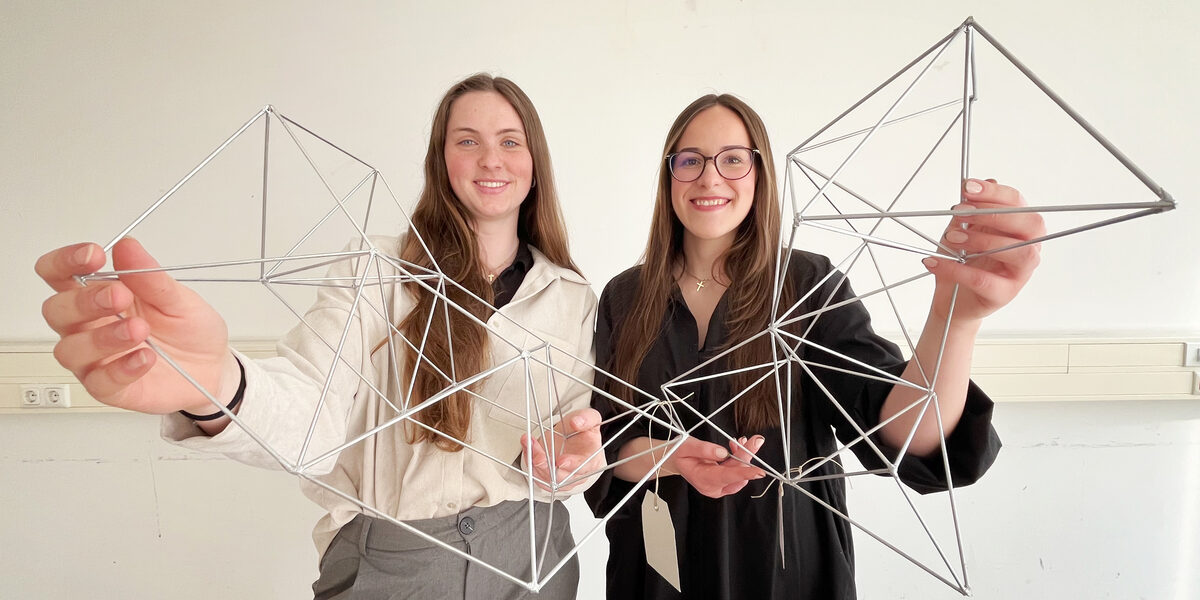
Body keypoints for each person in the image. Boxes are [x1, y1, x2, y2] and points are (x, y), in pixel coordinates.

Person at [36, 74, 603, 600]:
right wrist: (216, 387)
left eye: (510, 141)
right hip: (395, 561)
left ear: (535, 162)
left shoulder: (572, 296)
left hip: (534, 556)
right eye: (466, 141)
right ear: (440, 160)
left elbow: (568, 447)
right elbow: (311, 411)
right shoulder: (375, 270)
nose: (490, 159)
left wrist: (573, 465)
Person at [584, 94, 1044, 599]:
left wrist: (953, 319)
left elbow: (906, 431)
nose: (710, 178)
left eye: (733, 159)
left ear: (760, 175)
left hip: (787, 573)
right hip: (654, 576)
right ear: (668, 176)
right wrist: (673, 456)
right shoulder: (624, 296)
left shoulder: (806, 283)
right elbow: (608, 453)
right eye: (689, 160)